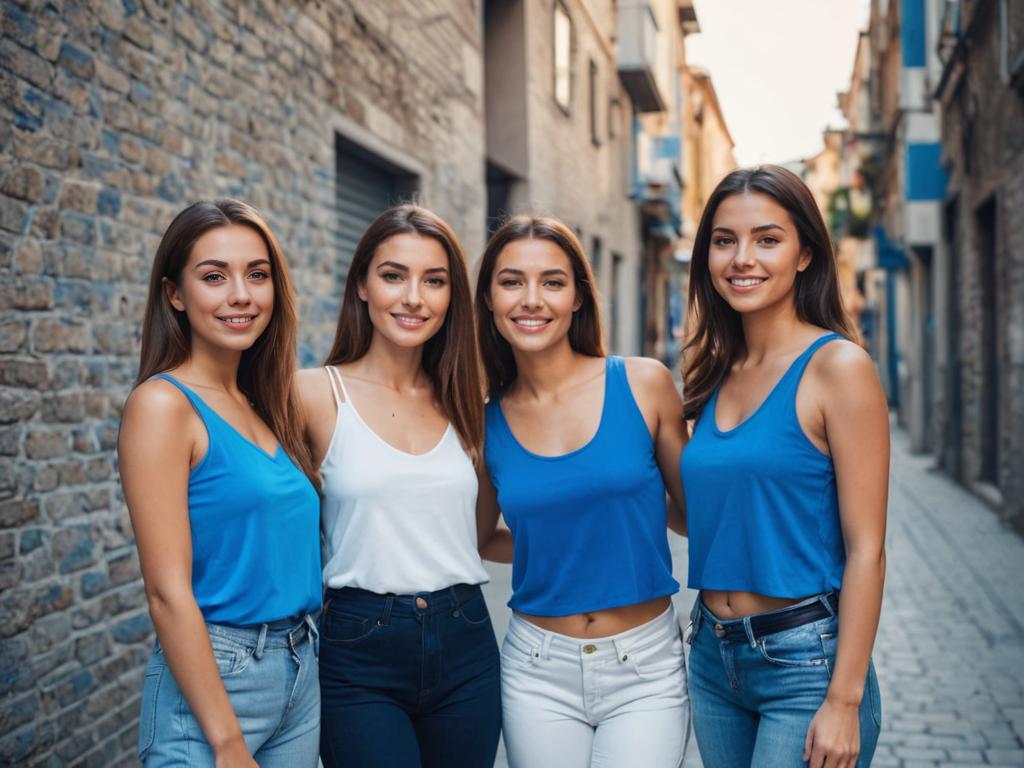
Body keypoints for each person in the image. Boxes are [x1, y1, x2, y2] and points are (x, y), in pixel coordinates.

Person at [680, 165, 888, 768]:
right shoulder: (716, 372)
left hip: (805, 662)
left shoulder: (837, 367)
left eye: (767, 239)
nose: (742, 258)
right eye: (725, 241)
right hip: (713, 659)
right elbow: (708, 516)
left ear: (804, 255)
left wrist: (844, 701)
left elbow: (868, 548)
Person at [475, 216, 690, 768]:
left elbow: (692, 514)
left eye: (552, 282)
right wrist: (569, 546)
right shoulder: (484, 422)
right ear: (489, 301)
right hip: (536, 668)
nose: (531, 300)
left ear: (577, 299)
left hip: (643, 664)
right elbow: (481, 538)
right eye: (511, 282)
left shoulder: (644, 383)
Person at [119, 199, 322, 767]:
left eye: (257, 275)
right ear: (175, 295)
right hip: (218, 684)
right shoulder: (162, 405)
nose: (241, 295)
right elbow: (166, 593)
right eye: (215, 276)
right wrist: (228, 744)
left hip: (299, 670)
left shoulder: (263, 406)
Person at [296, 205, 501, 768]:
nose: (414, 297)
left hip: (467, 641)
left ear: (451, 297)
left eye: (434, 281)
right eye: (394, 276)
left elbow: (488, 530)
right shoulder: (313, 395)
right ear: (362, 284)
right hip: (359, 648)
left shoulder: (470, 402)